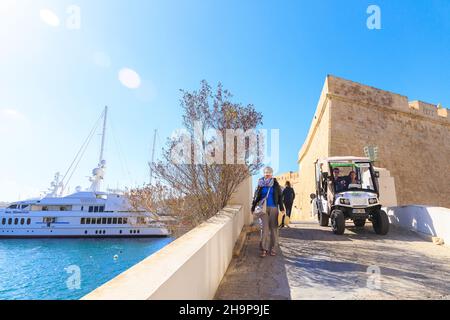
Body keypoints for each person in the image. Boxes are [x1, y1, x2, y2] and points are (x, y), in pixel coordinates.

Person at [251, 166, 285, 258]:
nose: (267, 174)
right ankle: (264, 249)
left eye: (269, 173)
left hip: (274, 208)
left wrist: (281, 208)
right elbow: (256, 197)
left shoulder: (275, 184)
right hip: (263, 209)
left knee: (274, 229)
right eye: (266, 173)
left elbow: (280, 197)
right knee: (264, 229)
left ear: (272, 174)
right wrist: (253, 206)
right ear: (264, 174)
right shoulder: (260, 184)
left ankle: (273, 248)